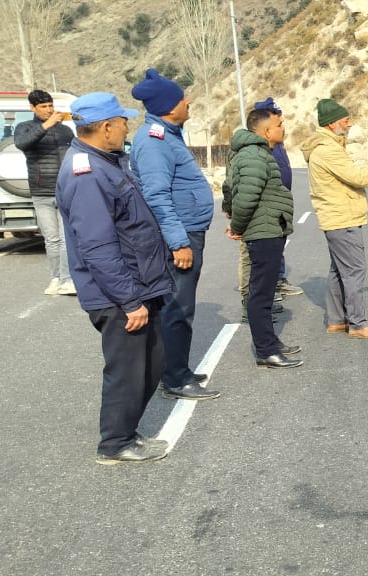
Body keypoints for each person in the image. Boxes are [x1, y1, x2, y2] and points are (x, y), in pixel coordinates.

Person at [57, 93, 173, 464]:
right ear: (106, 127)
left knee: (149, 365)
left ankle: (126, 433)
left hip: (136, 285)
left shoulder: (106, 161)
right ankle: (115, 443)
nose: (127, 126)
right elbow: (97, 247)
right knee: (127, 371)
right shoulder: (87, 173)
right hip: (120, 294)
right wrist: (129, 300)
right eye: (122, 121)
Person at [130, 68, 220, 401]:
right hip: (180, 234)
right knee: (177, 308)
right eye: (184, 99)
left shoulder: (168, 133)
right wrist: (179, 241)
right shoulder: (155, 141)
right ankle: (176, 378)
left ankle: (177, 367)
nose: (188, 102)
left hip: (187, 229)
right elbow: (156, 195)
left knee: (181, 305)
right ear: (171, 106)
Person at [302, 98, 368, 339]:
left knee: (339, 270)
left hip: (337, 217)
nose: (349, 125)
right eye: (345, 120)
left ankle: (337, 320)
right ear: (331, 124)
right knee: (354, 270)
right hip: (342, 217)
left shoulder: (327, 147)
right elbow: (357, 177)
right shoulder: (328, 150)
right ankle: (358, 324)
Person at [226, 108, 304, 369]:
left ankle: (270, 343)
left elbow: (231, 189)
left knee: (266, 293)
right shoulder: (253, 155)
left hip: (269, 228)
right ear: (266, 130)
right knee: (260, 295)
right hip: (263, 231)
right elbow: (245, 197)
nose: (284, 128)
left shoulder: (259, 153)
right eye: (280, 124)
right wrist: (237, 226)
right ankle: (265, 351)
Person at [14, 90, 75, 296]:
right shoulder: (24, 128)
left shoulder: (65, 131)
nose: (49, 110)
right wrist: (46, 126)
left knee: (66, 237)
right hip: (41, 192)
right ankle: (56, 278)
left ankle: (68, 279)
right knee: (51, 239)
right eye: (43, 107)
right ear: (32, 108)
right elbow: (22, 144)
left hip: (65, 189)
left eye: (50, 105)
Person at [255, 98, 305, 299]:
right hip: (270, 206)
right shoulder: (261, 146)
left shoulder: (277, 143)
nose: (281, 122)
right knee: (268, 247)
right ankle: (268, 286)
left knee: (278, 243)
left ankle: (277, 280)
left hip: (280, 203)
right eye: (277, 118)